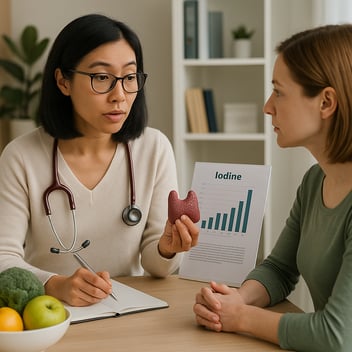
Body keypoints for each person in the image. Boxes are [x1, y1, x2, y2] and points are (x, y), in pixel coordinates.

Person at [0, 14, 199, 307]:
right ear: (63, 81)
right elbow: (3, 258)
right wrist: (55, 285)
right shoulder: (21, 157)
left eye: (129, 78)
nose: (119, 95)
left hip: (128, 312)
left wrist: (168, 249)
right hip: (51, 315)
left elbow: (156, 266)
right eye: (101, 78)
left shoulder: (154, 149)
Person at [193, 24, 352, 352]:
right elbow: (280, 269)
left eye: (279, 91)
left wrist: (239, 317)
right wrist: (234, 299)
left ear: (326, 102)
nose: (268, 106)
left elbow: (337, 335)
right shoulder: (314, 181)